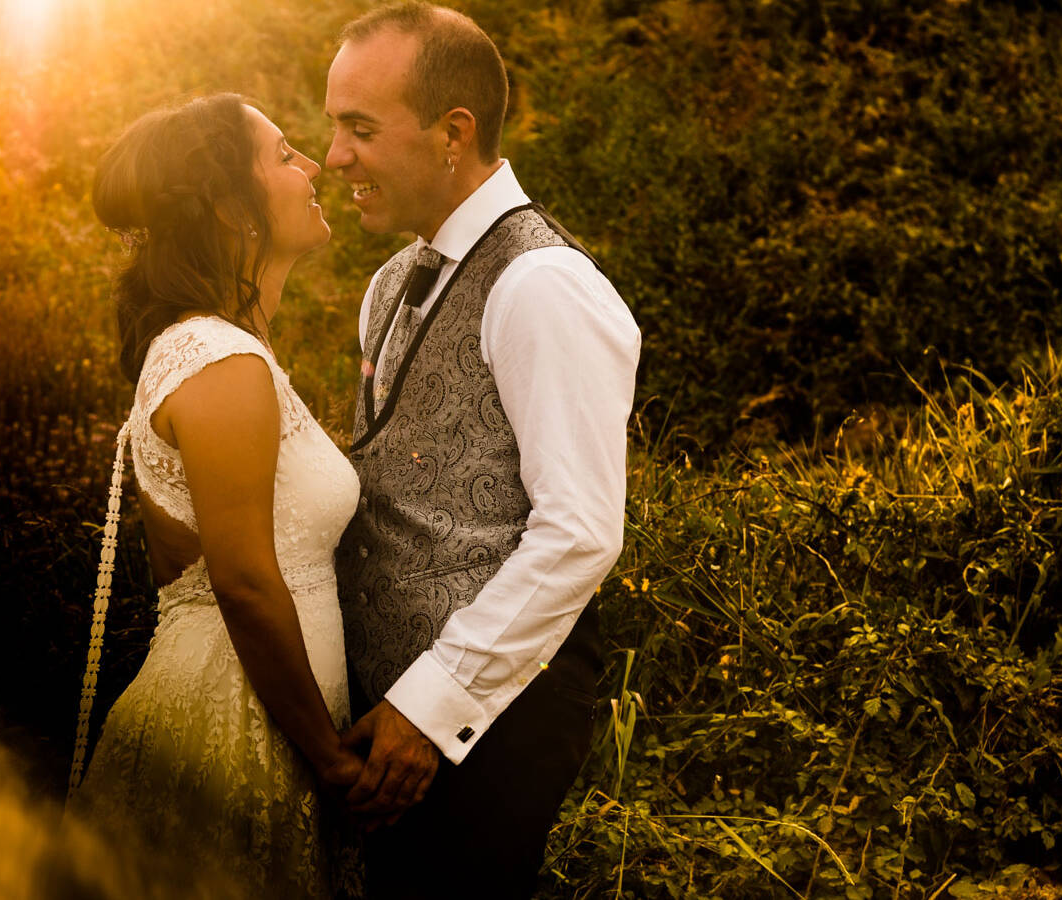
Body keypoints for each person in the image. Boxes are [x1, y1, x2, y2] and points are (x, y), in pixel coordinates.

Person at [324, 4, 641, 896]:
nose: (335, 155)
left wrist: (430, 711)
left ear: (452, 133)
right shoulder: (392, 281)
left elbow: (581, 531)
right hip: (384, 715)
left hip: (491, 724)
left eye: (360, 128)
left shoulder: (543, 285)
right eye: (331, 127)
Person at [66, 93, 363, 898]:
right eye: (283, 155)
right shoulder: (218, 358)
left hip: (261, 712)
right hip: (234, 726)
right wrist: (333, 761)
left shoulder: (219, 350)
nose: (312, 168)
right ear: (234, 209)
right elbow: (241, 578)